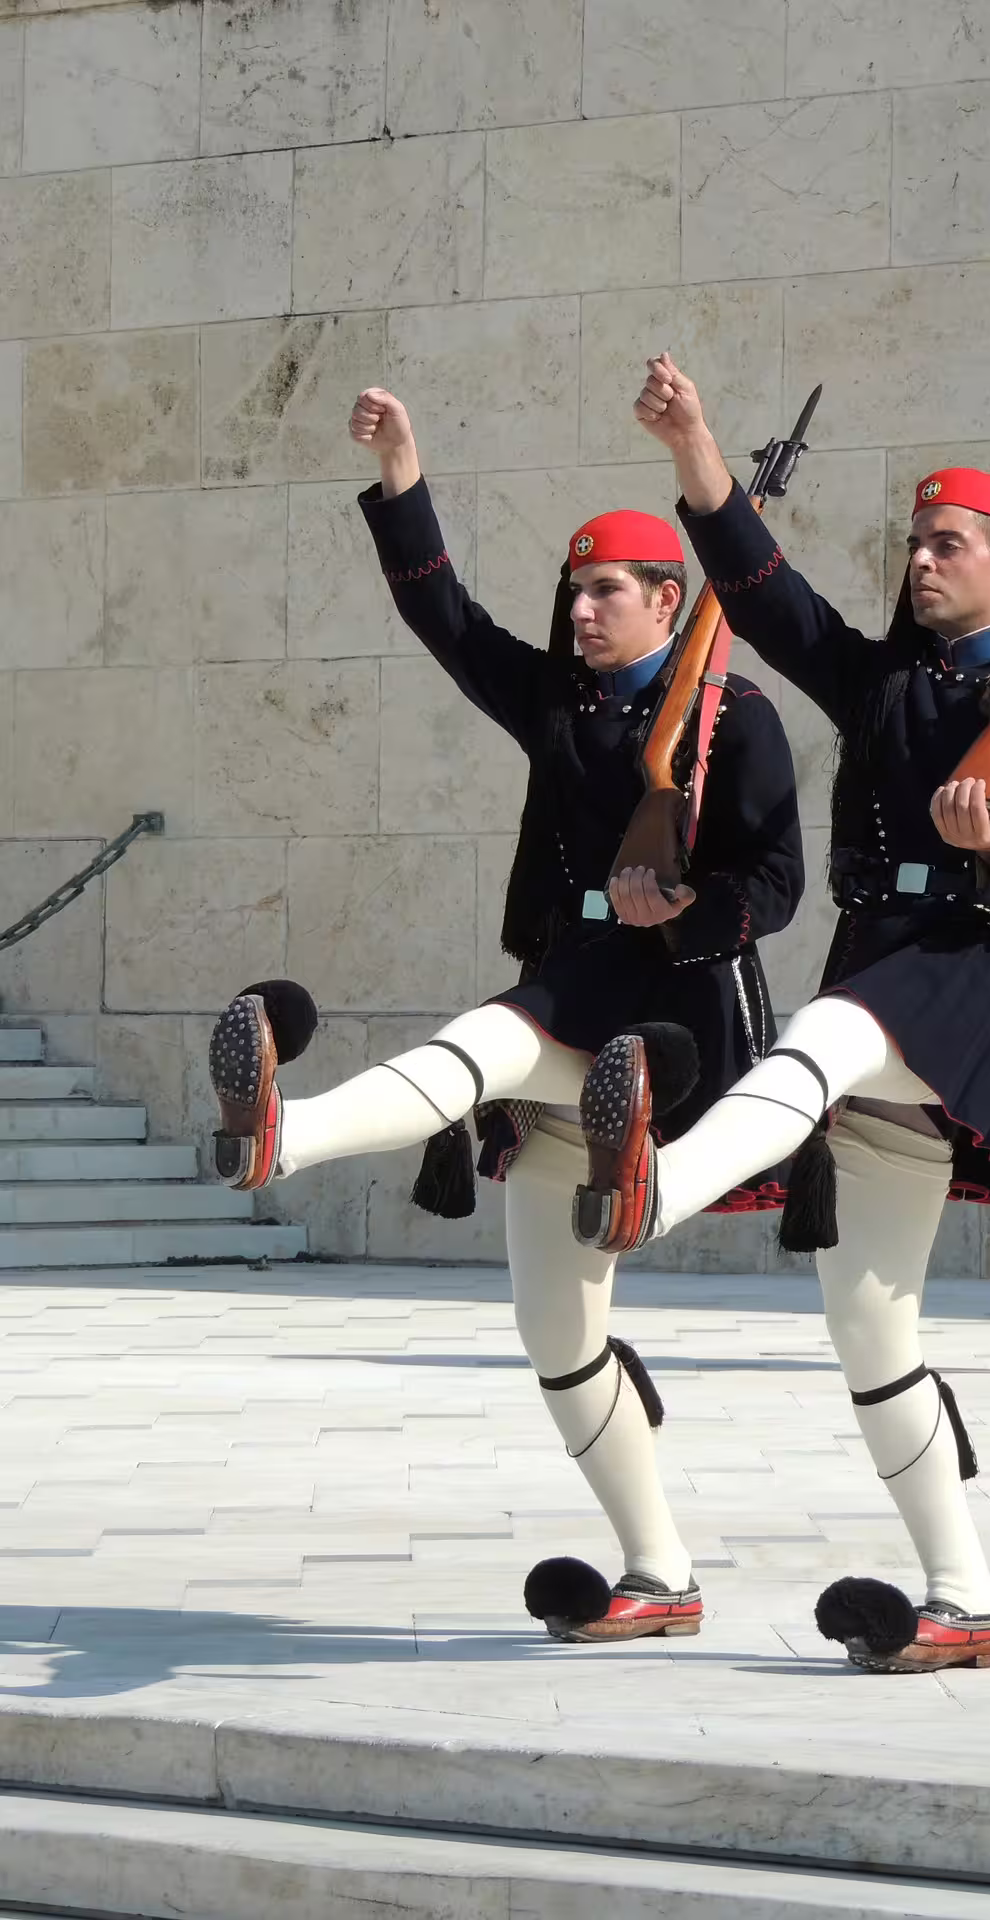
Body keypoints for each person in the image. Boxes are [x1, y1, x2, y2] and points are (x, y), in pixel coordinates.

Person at [568, 355, 990, 1674]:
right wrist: (698, 450)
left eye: (949, 545)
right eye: (915, 541)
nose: (921, 558)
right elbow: (765, 596)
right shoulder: (888, 685)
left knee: (819, 1042)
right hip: (889, 972)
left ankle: (648, 1195)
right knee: (868, 1325)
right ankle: (965, 1600)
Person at [208, 387, 803, 1645]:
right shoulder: (558, 704)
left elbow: (778, 886)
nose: (579, 614)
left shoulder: (733, 721)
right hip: (572, 983)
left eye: (605, 596)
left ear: (666, 598)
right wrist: (404, 468)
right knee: (557, 1330)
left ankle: (287, 1138)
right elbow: (442, 615)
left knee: (479, 1047)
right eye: (573, 595)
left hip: (669, 1017)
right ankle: (660, 1575)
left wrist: (678, 907)